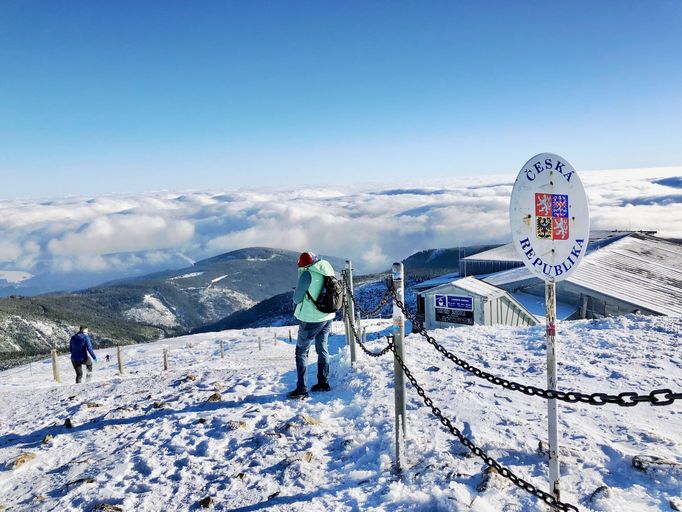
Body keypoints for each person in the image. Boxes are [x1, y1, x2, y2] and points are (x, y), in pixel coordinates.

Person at [288, 252, 335, 399]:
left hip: (311, 319)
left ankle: (301, 389)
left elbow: (296, 299)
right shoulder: (327, 269)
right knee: (323, 349)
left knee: (301, 352)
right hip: (327, 316)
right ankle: (323, 383)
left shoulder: (307, 275)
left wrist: (299, 291)